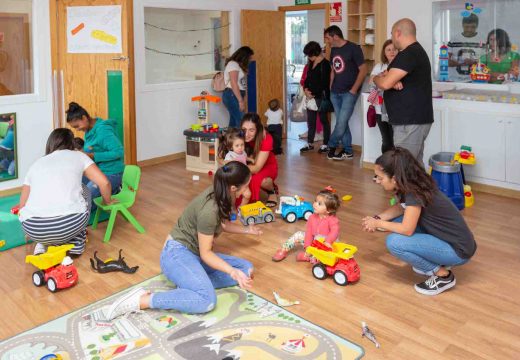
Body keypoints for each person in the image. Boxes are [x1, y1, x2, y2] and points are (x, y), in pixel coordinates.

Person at [104, 161, 262, 321]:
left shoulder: (223, 192)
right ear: (234, 187)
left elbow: (222, 224)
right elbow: (206, 254)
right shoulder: (210, 210)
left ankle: (190, 285)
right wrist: (231, 271)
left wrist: (247, 230)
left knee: (246, 269)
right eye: (246, 185)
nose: (247, 189)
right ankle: (143, 300)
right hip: (176, 253)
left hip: (196, 254)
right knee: (207, 300)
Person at [362, 148, 477, 296]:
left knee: (394, 242)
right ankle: (433, 260)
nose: (376, 181)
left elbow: (407, 229)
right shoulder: (412, 183)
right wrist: (377, 219)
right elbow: (400, 208)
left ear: (395, 178)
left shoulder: (413, 193)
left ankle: (442, 275)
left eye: (379, 177)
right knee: (394, 221)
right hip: (458, 241)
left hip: (458, 251)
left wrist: (378, 224)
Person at [18, 128, 112, 256]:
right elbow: (104, 183)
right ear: (71, 143)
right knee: (84, 189)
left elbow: (22, 206)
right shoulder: (79, 156)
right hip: (69, 225)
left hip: (33, 228)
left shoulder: (37, 163)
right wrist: (108, 202)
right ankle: (76, 245)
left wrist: (31, 229)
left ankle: (42, 244)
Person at [374, 19, 433, 164]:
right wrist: (390, 79)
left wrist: (376, 78)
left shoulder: (409, 53)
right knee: (414, 168)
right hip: (412, 120)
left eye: (391, 34)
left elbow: (385, 83)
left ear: (397, 33)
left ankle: (408, 188)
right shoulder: (413, 52)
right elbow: (390, 78)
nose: (392, 39)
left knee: (404, 167)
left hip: (410, 121)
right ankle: (422, 188)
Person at [66, 102, 124, 212]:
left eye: (77, 126)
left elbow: (119, 152)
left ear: (84, 118)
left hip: (111, 172)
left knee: (84, 201)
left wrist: (93, 155)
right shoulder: (88, 131)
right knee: (72, 185)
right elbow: (93, 148)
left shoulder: (103, 131)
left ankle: (115, 189)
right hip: (97, 171)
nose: (77, 129)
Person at [324, 25, 367, 160]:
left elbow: (364, 70)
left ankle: (331, 145)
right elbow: (333, 69)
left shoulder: (354, 48)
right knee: (343, 121)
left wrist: (354, 90)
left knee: (341, 122)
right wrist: (331, 85)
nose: (326, 41)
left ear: (335, 36)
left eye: (327, 38)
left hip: (349, 92)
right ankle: (348, 150)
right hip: (335, 92)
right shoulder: (333, 50)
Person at [272, 188, 340, 262]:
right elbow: (309, 232)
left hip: (326, 244)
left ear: (328, 210)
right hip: (314, 241)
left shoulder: (333, 220)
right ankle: (283, 250)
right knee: (298, 234)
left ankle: (309, 257)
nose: (315, 204)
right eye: (315, 201)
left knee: (326, 258)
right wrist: (307, 246)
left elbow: (335, 231)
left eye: (319, 204)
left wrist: (328, 241)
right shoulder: (312, 217)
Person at [300, 41, 332, 154]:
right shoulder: (310, 64)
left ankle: (326, 144)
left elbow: (325, 83)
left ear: (315, 52)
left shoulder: (325, 64)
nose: (308, 57)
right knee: (311, 121)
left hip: (321, 98)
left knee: (324, 120)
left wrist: (312, 93)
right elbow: (307, 80)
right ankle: (310, 143)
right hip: (311, 97)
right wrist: (306, 90)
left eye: (309, 54)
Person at [241, 113, 278, 207]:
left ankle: (272, 191)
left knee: (257, 179)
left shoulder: (266, 138)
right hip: (249, 163)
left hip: (268, 165)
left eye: (251, 130)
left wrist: (236, 167)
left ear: (257, 130)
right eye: (244, 130)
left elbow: (257, 168)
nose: (246, 134)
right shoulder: (238, 135)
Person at [368, 39, 398, 156]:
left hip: (396, 109)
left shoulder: (401, 66)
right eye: (388, 50)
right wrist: (381, 76)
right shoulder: (379, 66)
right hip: (380, 110)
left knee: (398, 142)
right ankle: (385, 168)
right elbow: (371, 81)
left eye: (394, 49)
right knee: (386, 140)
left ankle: (396, 169)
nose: (392, 52)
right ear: (384, 52)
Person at [217, 128, 252, 208]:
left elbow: (245, 157)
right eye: (237, 146)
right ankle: (232, 208)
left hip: (243, 180)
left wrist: (251, 159)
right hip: (233, 181)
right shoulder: (230, 156)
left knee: (248, 194)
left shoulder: (243, 152)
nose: (240, 148)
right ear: (231, 147)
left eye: (242, 145)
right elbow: (226, 168)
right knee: (233, 197)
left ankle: (241, 208)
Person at [222, 46, 254, 128]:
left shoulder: (237, 65)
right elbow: (234, 83)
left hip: (235, 94)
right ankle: (240, 140)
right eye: (249, 58)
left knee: (233, 121)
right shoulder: (233, 64)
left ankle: (229, 140)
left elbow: (241, 84)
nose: (250, 60)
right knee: (241, 120)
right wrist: (240, 101)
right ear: (244, 57)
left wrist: (243, 98)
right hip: (232, 94)